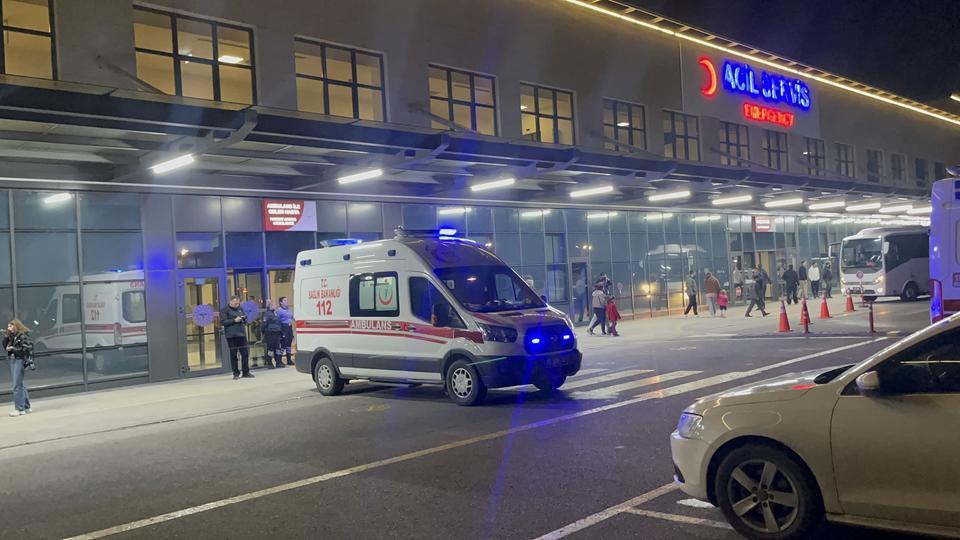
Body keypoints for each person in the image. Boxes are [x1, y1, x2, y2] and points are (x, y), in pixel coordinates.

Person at [5, 319, 33, 417]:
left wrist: (13, 349)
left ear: (16, 326)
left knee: (16, 386)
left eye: (10, 326)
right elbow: (5, 345)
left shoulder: (23, 336)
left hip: (19, 360)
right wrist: (7, 336)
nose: (9, 328)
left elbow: (25, 349)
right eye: (8, 326)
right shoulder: (12, 336)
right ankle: (26, 406)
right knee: (20, 384)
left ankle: (19, 409)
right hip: (13, 359)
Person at [221, 296, 253, 379]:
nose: (237, 305)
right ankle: (235, 373)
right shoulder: (225, 310)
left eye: (238, 303)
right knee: (233, 355)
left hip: (241, 334)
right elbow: (223, 322)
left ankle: (246, 372)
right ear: (230, 302)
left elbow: (244, 317)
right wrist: (234, 320)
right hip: (231, 336)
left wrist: (244, 319)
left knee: (245, 354)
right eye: (235, 303)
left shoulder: (240, 309)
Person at [261, 300, 284, 369]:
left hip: (277, 333)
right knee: (270, 349)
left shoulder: (275, 313)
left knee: (277, 348)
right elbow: (264, 324)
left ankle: (278, 362)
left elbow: (278, 323)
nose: (276, 306)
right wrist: (263, 332)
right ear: (271, 306)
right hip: (270, 333)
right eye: (274, 305)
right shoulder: (267, 314)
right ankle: (269, 362)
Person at [277, 296, 296, 367]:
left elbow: (292, 318)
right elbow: (277, 321)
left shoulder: (288, 310)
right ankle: (279, 360)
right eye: (284, 301)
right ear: (281, 302)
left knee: (289, 344)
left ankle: (289, 359)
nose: (286, 302)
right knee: (283, 345)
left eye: (287, 300)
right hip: (283, 328)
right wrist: (281, 331)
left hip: (289, 328)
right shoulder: (279, 311)